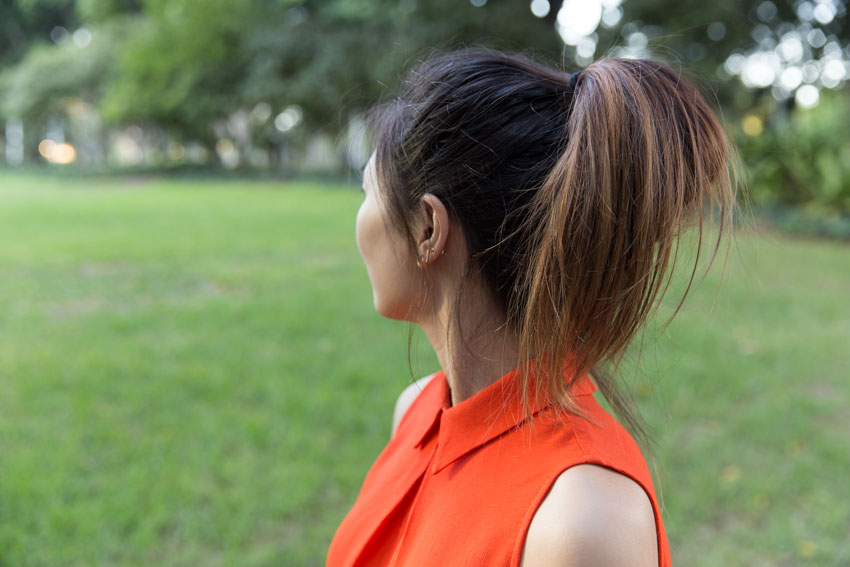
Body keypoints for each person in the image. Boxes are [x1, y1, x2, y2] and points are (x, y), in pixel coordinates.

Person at [327, 49, 735, 567]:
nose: (360, 218)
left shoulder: (583, 520)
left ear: (428, 228)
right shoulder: (418, 410)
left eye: (368, 191)